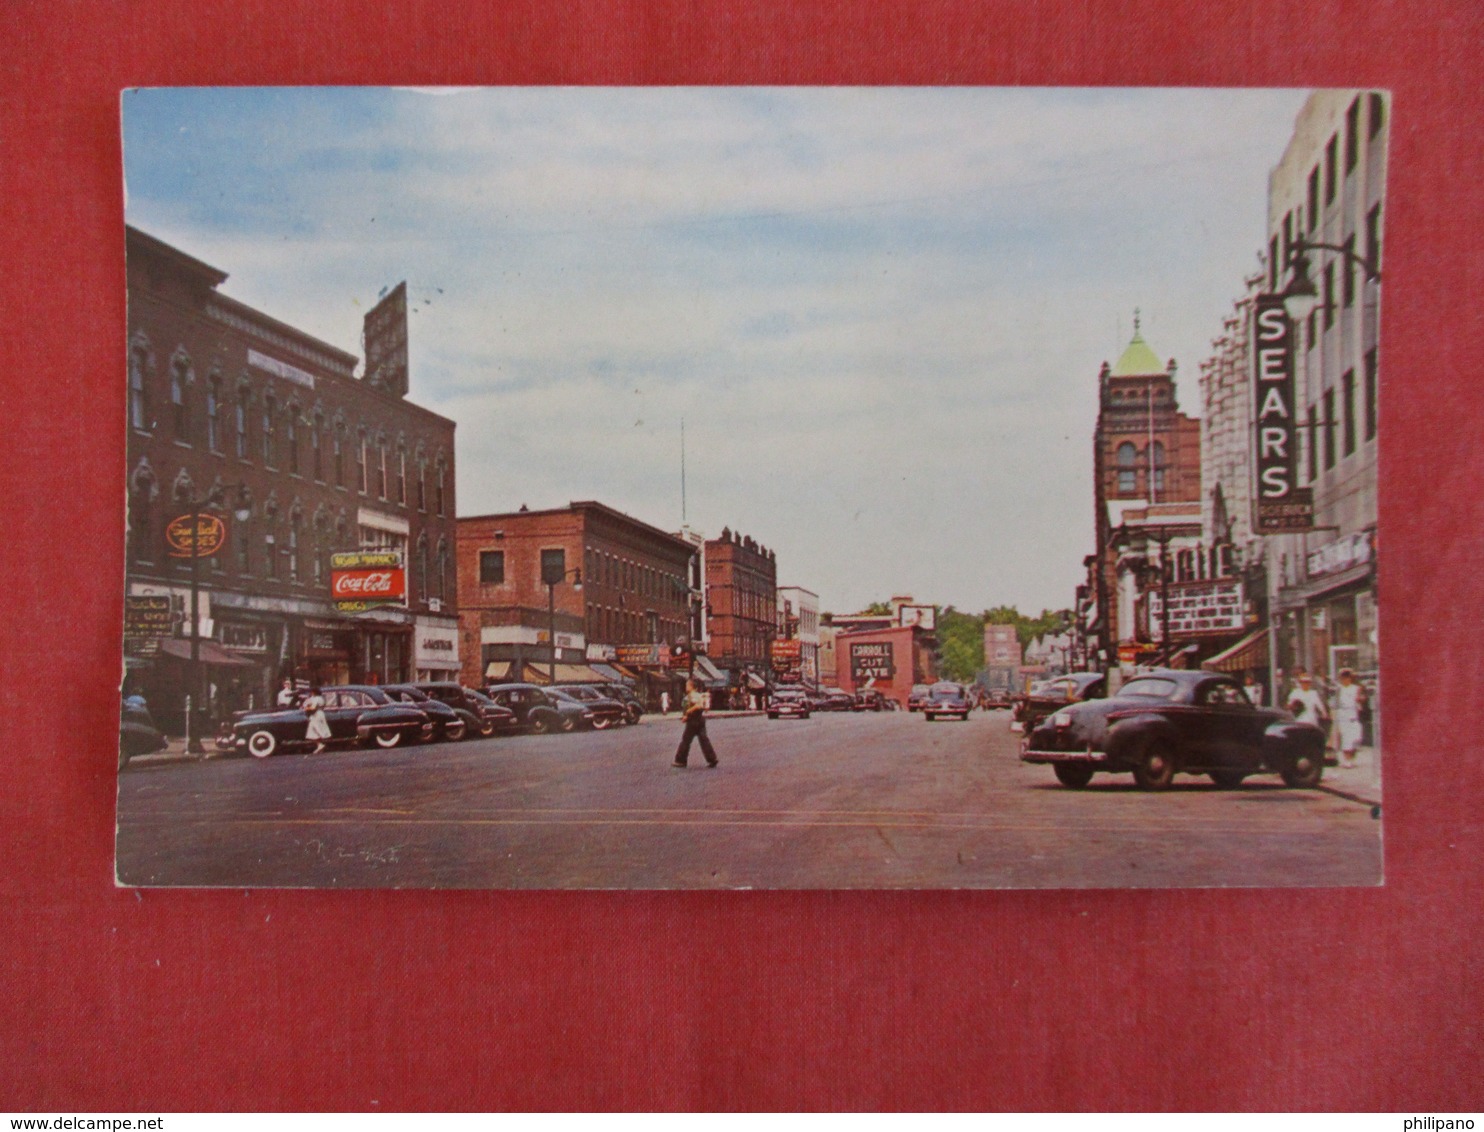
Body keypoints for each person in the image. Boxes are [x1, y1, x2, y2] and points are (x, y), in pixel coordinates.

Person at [673, 678, 718, 768]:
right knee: (704, 740)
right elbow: (704, 707)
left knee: (686, 741)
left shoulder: (691, 696)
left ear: (691, 686)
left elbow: (699, 706)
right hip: (700, 720)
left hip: (692, 721)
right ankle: (712, 759)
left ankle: (680, 760)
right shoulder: (699, 695)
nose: (685, 687)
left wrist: (689, 711)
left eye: (687, 685)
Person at [1332, 668, 1367, 768]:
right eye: (1342, 678)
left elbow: (1362, 698)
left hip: (1354, 714)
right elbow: (1335, 702)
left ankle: (1351, 758)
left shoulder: (1356, 688)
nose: (1344, 680)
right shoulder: (1339, 689)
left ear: (1350, 678)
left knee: (1356, 738)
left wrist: (1360, 699)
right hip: (1343, 715)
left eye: (1346, 678)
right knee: (1346, 738)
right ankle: (1347, 760)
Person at [303, 686, 331, 755]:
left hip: (315, 715)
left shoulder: (315, 699)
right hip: (321, 713)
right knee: (318, 729)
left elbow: (313, 708)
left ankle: (320, 744)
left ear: (313, 692)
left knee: (313, 730)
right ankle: (320, 746)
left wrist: (306, 708)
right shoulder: (321, 698)